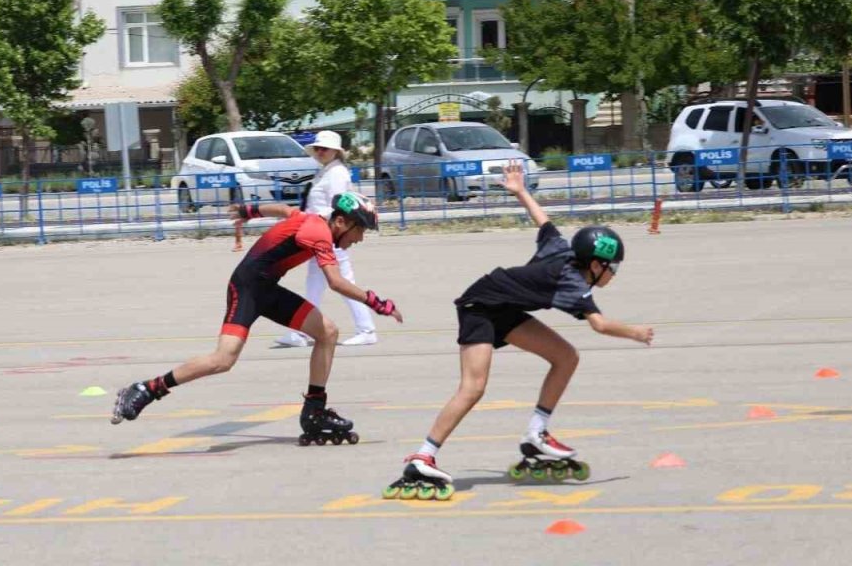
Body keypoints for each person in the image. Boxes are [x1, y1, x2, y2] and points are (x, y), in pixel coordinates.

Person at [382, 162, 653, 499]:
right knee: (473, 387)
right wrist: (636, 333)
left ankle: (536, 435)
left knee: (566, 356)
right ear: (596, 264)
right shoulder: (573, 284)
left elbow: (544, 221)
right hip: (479, 306)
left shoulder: (562, 249)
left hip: (505, 308)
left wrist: (521, 190)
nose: (614, 273)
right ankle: (423, 456)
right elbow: (599, 325)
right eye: (612, 267)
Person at [111, 193, 404, 445]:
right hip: (247, 288)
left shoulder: (312, 219)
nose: (360, 238)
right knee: (223, 360)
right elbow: (336, 282)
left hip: (267, 289)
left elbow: (284, 210)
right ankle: (147, 389)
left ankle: (315, 409)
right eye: (360, 230)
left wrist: (248, 211)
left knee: (327, 332)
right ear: (340, 222)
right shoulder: (319, 233)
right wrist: (377, 303)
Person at [275, 131, 378, 348]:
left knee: (342, 282)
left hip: (332, 235)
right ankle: (303, 332)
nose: (320, 152)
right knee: (315, 282)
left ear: (335, 152)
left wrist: (313, 220)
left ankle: (366, 329)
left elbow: (339, 208)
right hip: (319, 233)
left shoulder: (337, 173)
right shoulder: (326, 171)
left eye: (325, 149)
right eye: (318, 148)